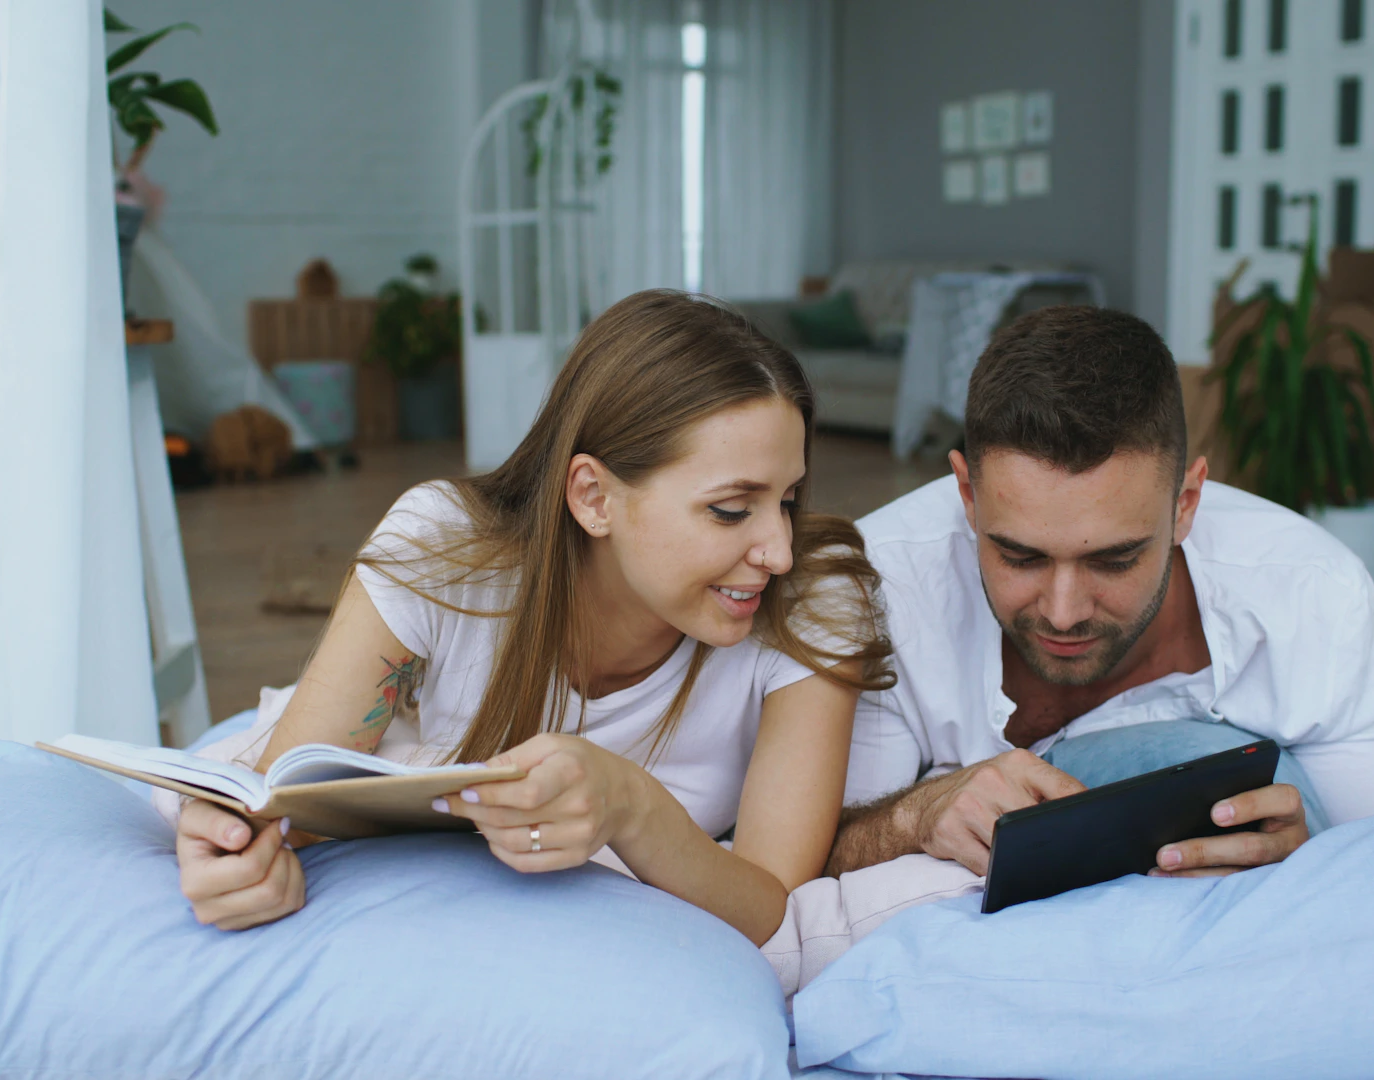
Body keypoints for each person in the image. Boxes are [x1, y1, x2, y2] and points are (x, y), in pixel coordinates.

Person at [171, 290, 891, 945]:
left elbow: (769, 904)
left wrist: (631, 807)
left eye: (789, 499)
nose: (779, 550)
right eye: (730, 509)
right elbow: (283, 806)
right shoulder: (444, 549)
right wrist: (237, 856)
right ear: (593, 497)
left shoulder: (814, 603)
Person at [826, 305, 1374, 880]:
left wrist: (1315, 866)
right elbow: (806, 855)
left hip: (1284, 755)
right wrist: (918, 812)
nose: (1063, 611)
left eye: (1115, 560)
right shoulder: (875, 591)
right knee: (1217, 763)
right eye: (1019, 555)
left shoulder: (1309, 590)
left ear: (1187, 504)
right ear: (967, 496)